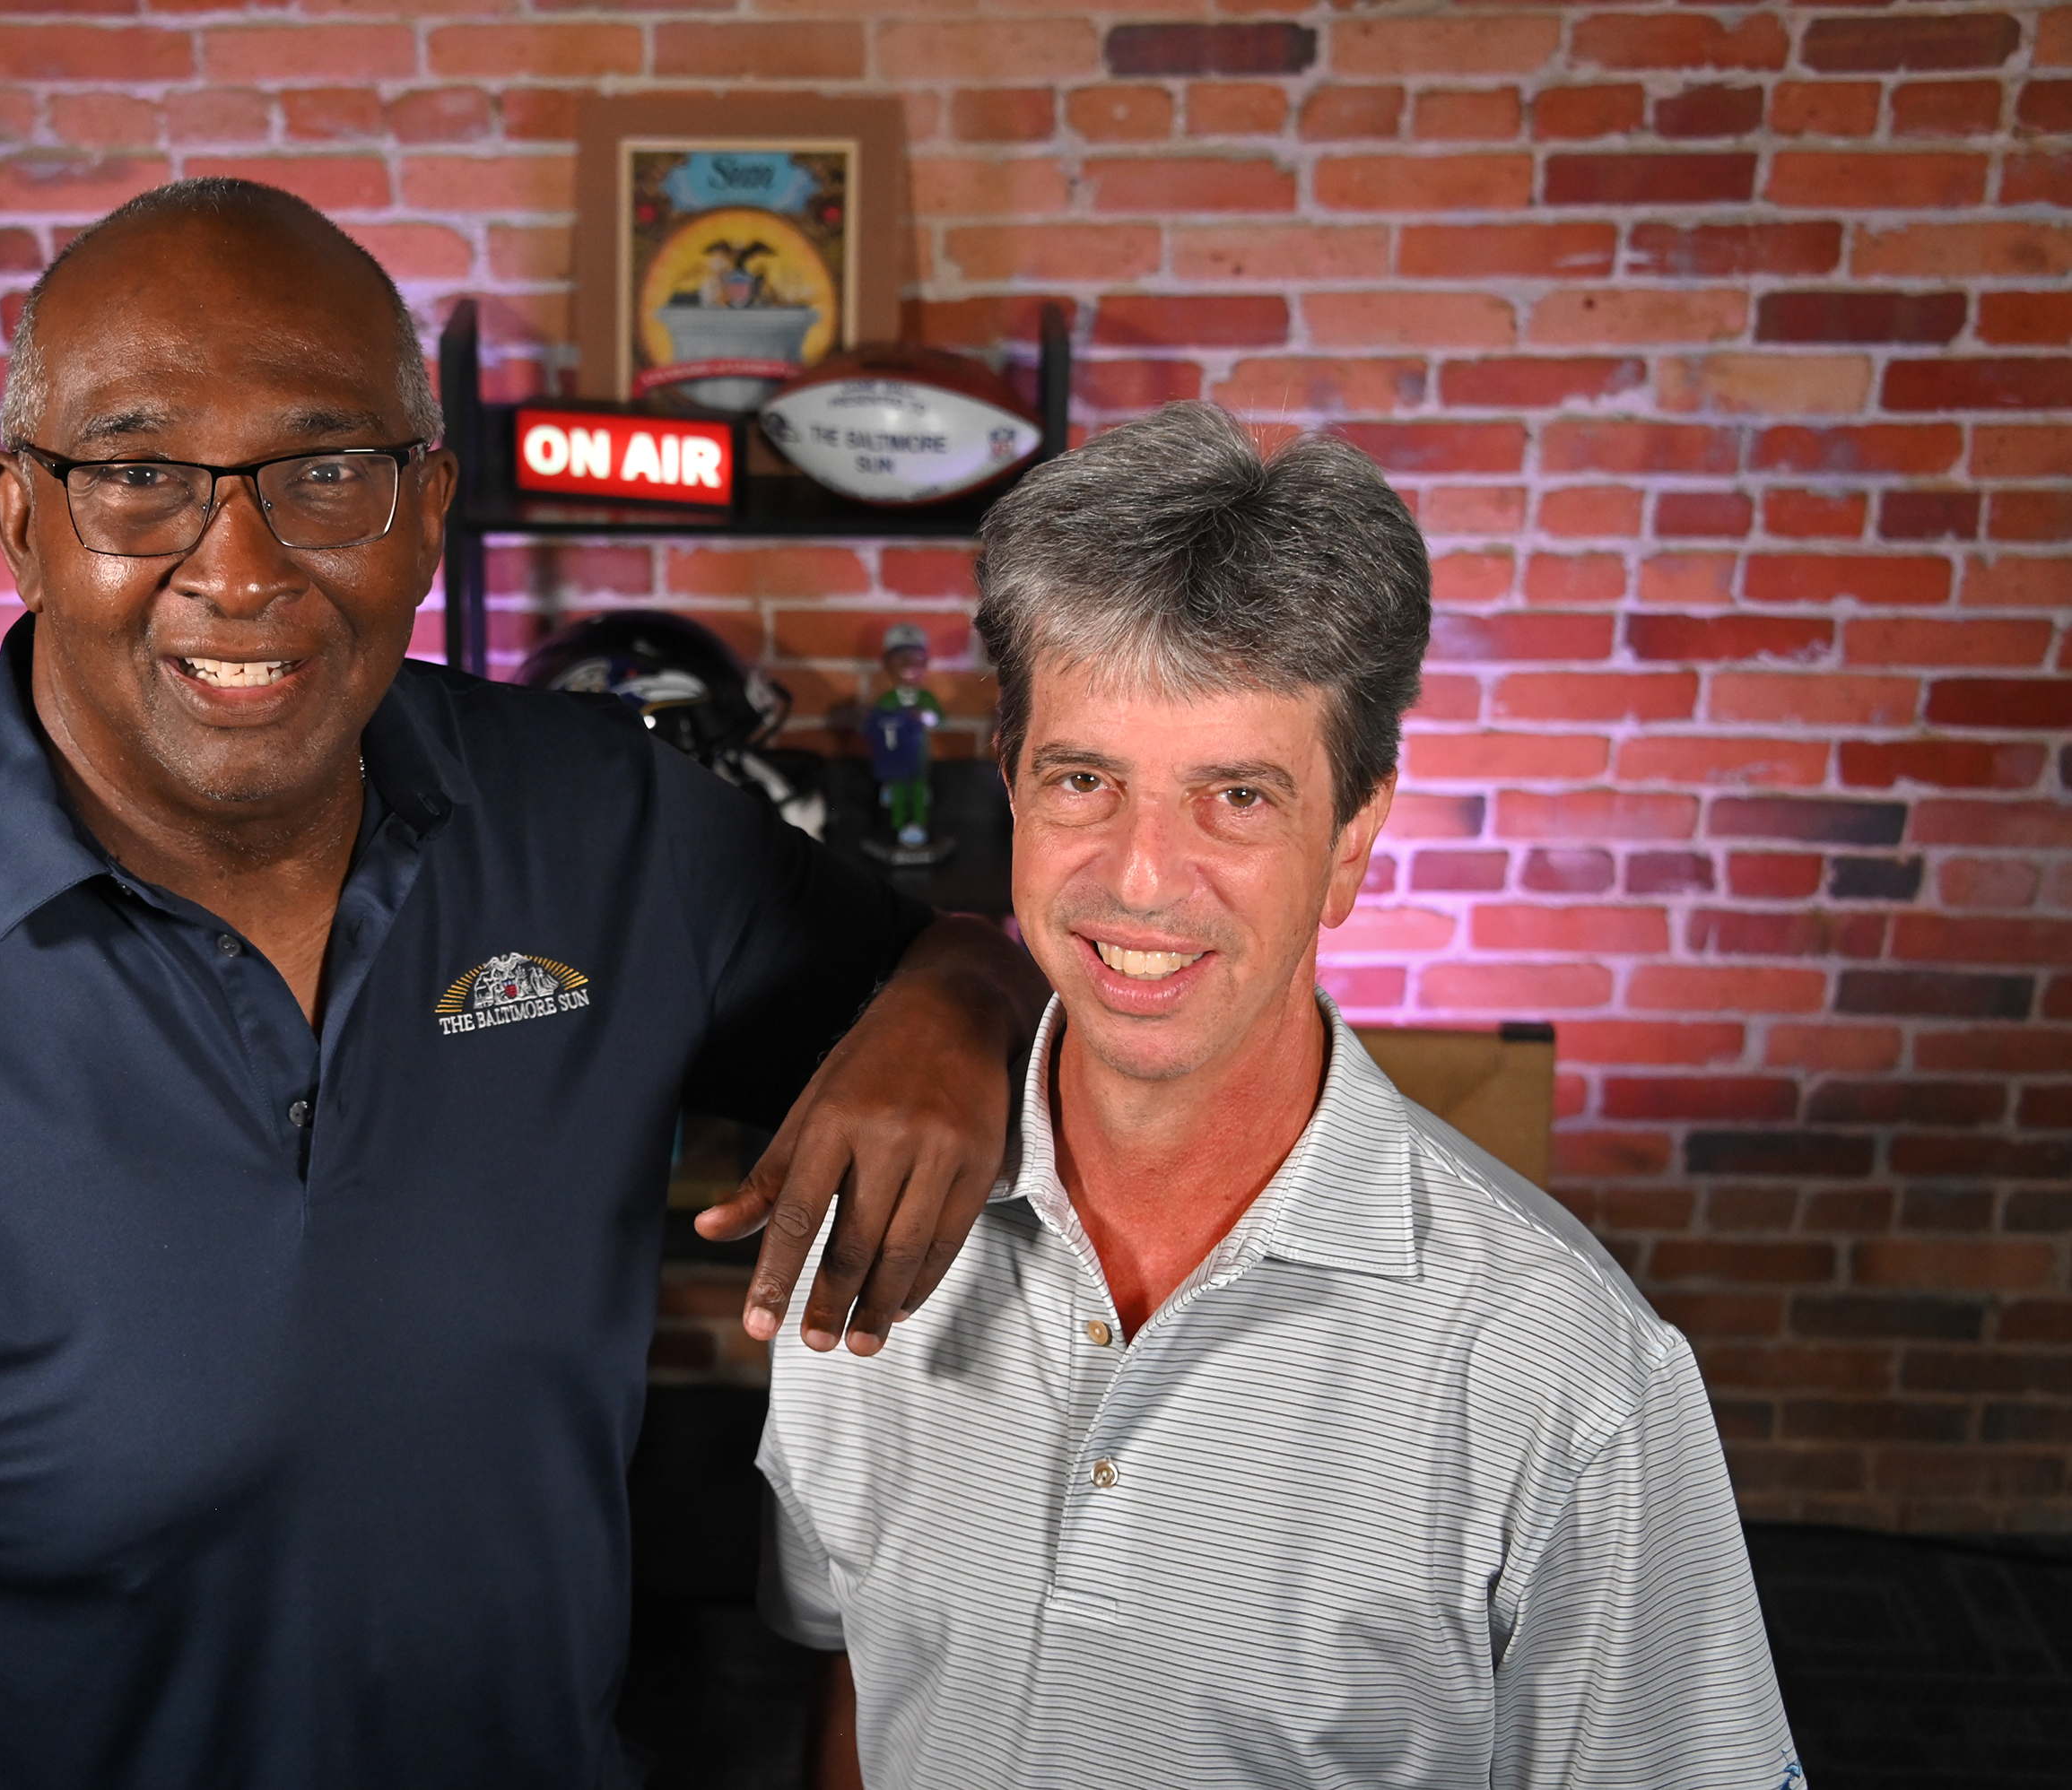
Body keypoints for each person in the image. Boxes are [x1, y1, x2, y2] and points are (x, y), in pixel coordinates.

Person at [0, 178, 1045, 1790]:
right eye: (141, 475)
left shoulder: (613, 829)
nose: (240, 567)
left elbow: (948, 967)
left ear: (430, 505)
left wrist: (963, 995)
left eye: (325, 472)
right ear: (21, 519)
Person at [759, 402, 1801, 1790]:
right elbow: (859, 1686)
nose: (1141, 877)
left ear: (1354, 834)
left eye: (1237, 798)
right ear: (1008, 779)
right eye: (1085, 778)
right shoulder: (869, 1234)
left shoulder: (1567, 1378)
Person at [861, 622, 944, 853]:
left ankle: (918, 826)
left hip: (918, 758)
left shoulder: (925, 698)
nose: (908, 667)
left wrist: (923, 716)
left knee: (918, 792)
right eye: (900, 660)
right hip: (894, 759)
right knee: (897, 792)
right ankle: (895, 829)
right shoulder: (887, 700)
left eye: (916, 660)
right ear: (888, 664)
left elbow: (939, 720)